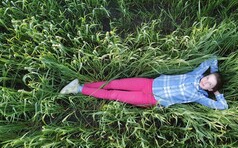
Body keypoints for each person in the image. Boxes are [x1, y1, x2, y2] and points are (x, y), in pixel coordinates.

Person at [60, 57, 228, 110]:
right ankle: (86, 85)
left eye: (209, 84)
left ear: (211, 88)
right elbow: (212, 59)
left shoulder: (199, 96)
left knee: (113, 95)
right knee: (115, 83)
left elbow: (223, 106)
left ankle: (79, 89)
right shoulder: (197, 75)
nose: (205, 81)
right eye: (208, 78)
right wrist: (215, 72)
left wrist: (216, 93)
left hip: (152, 99)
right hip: (149, 83)